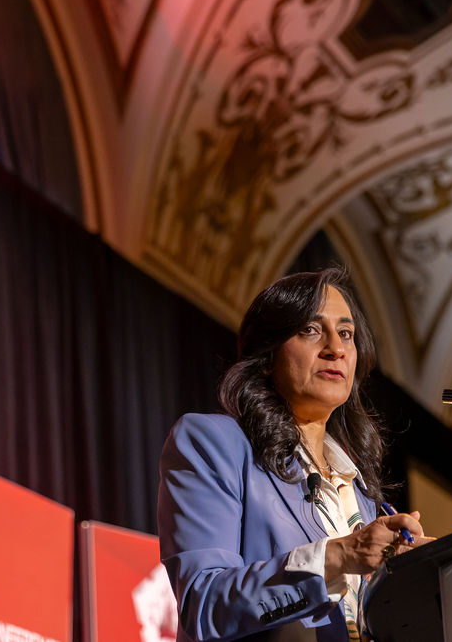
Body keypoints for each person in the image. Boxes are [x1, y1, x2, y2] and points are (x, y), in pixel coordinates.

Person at [157, 267, 430, 641]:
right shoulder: (213, 443)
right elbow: (204, 605)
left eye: (346, 334)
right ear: (267, 356)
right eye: (311, 330)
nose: (335, 348)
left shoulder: (360, 492)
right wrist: (340, 555)